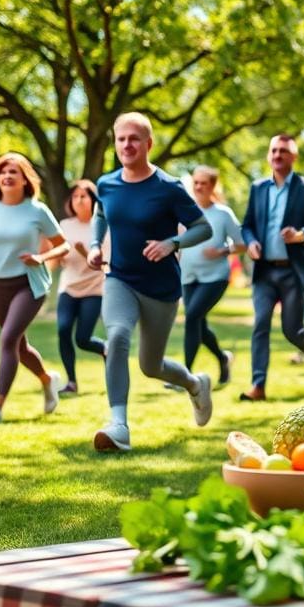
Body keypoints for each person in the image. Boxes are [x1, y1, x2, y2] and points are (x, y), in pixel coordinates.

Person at [87, 112, 214, 451]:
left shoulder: (169, 188)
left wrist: (172, 243)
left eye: (134, 139)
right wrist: (96, 245)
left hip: (161, 288)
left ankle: (194, 384)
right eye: (121, 139)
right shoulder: (106, 184)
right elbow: (101, 216)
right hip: (119, 278)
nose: (127, 145)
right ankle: (119, 426)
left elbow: (205, 228)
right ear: (115, 143)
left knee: (150, 366)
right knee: (116, 336)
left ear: (148, 144)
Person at [0, 153, 70, 423]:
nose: (7, 176)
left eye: (14, 172)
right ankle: (47, 380)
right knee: (19, 346)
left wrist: (41, 258)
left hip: (29, 284)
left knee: (8, 339)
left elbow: (63, 244)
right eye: (3, 172)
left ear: (25, 180)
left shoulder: (37, 210)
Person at [240, 134, 304, 401]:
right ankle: (258, 386)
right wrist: (251, 241)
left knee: (293, 331)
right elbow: (247, 225)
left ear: (294, 156)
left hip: (294, 270)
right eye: (274, 151)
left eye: (284, 151)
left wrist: (301, 234)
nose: (278, 155)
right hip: (264, 270)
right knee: (260, 324)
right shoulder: (258, 187)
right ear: (269, 155)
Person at [173, 165, 246, 388]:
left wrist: (222, 251)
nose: (199, 187)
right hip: (188, 275)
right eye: (196, 182)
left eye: (204, 183)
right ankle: (223, 358)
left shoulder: (223, 214)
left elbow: (242, 244)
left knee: (193, 317)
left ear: (212, 185)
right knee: (199, 325)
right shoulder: (185, 210)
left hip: (216, 276)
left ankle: (184, 377)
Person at [54, 180, 107, 395]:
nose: (78, 200)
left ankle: (105, 349)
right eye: (75, 196)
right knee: (63, 329)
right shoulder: (65, 225)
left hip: (94, 289)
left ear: (93, 200)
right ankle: (72, 382)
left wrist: (85, 253)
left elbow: (103, 265)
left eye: (83, 196)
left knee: (83, 339)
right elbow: (58, 257)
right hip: (68, 286)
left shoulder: (102, 226)